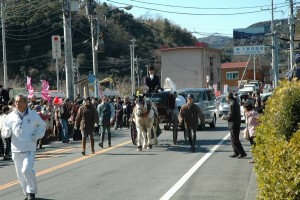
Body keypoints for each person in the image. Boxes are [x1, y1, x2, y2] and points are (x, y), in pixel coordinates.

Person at [1, 94, 46, 200]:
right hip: (16, 148)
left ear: (26, 103)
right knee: (20, 173)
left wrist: (37, 135)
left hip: (29, 147)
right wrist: (6, 132)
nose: (17, 103)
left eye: (20, 101)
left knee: (26, 169)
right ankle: (26, 192)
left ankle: (31, 192)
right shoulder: (10, 116)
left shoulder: (33, 115)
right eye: (16, 101)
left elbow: (42, 125)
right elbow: (4, 130)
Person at [222, 92, 247, 158]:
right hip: (236, 123)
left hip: (233, 124)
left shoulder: (232, 104)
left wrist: (224, 117)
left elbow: (230, 115)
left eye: (226, 98)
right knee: (233, 139)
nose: (226, 99)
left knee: (235, 139)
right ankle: (236, 152)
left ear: (228, 98)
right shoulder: (235, 103)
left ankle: (242, 153)